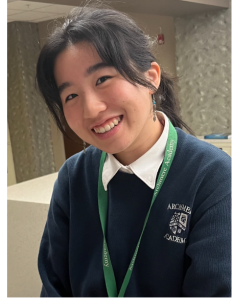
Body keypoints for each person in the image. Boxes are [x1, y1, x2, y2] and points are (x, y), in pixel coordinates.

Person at [36, 4, 231, 297]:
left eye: (103, 79)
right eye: (71, 95)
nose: (91, 109)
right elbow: (53, 287)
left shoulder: (212, 178)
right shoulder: (74, 177)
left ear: (151, 77)